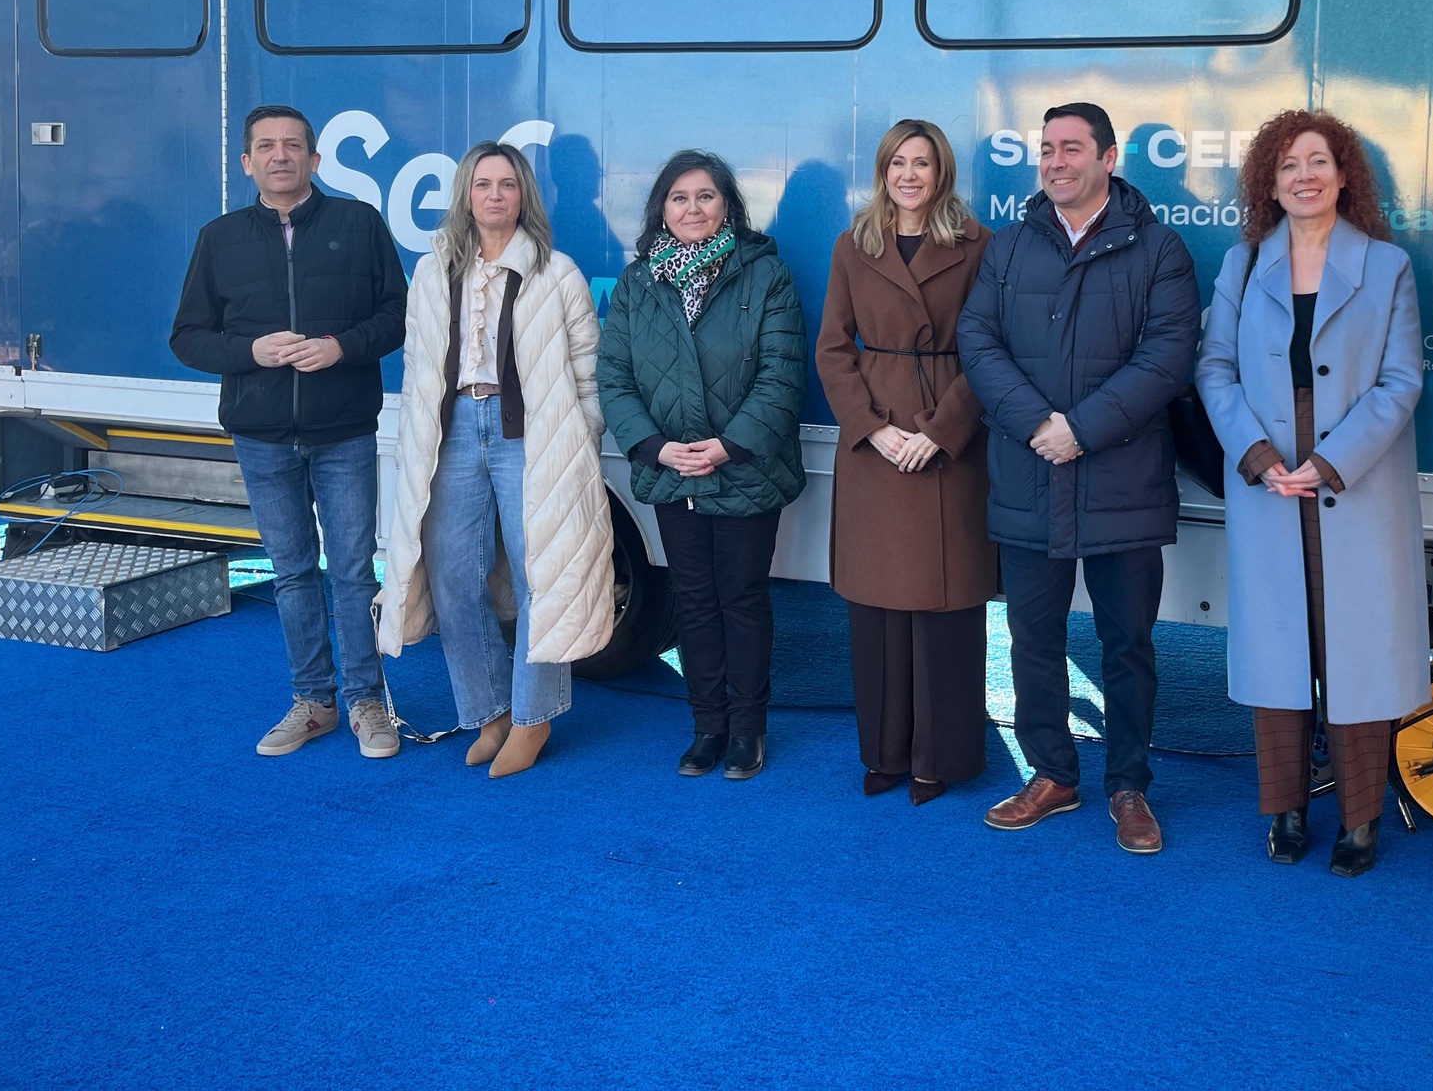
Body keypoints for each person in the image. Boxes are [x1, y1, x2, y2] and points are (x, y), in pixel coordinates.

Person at [959, 102, 1200, 854]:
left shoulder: (1159, 249)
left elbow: (1167, 356)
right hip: (1029, 474)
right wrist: (1039, 423)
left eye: (1071, 148)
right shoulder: (1009, 247)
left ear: (1108, 158)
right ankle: (1052, 775)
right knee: (1032, 637)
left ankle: (1129, 787)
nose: (1056, 162)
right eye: (1046, 149)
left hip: (1122, 482)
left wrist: (1081, 429)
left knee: (1128, 645)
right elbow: (977, 339)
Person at [1195, 110, 1429, 877]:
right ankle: (1285, 809)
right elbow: (1213, 369)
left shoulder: (1387, 266)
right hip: (1267, 478)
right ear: (1269, 183)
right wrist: (1256, 453)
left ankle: (1360, 818)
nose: (1305, 176)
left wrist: (1330, 462)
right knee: (1280, 650)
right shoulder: (1241, 265)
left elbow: (1401, 382)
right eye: (1289, 164)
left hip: (1353, 477)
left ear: (1343, 174)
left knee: (1356, 651)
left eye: (1318, 161)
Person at [170, 105, 408, 759]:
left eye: (294, 145)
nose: (281, 156)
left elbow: (398, 316)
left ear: (314, 159)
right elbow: (187, 337)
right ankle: (314, 703)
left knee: (353, 572)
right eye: (267, 147)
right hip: (261, 436)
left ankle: (366, 702)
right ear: (248, 162)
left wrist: (341, 347)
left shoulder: (359, 224)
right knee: (294, 573)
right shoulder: (219, 239)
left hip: (344, 433)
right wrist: (250, 351)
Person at [375, 143, 617, 778]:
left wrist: (579, 435)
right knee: (454, 578)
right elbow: (417, 363)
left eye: (507, 184)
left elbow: (588, 370)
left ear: (523, 195)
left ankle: (534, 719)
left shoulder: (556, 272)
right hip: (452, 431)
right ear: (466, 195)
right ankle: (489, 713)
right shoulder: (432, 272)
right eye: (482, 184)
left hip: (532, 435)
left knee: (544, 574)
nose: (495, 195)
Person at [597, 151, 807, 781]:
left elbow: (781, 375)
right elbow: (614, 377)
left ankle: (747, 730)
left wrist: (728, 446)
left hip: (745, 469)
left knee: (741, 598)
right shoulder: (638, 284)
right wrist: (655, 446)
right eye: (679, 197)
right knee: (692, 600)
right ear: (662, 208)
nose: (693, 209)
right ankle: (707, 726)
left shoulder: (765, 276)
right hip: (671, 471)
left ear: (728, 206)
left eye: (706, 196)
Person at [817, 119, 995, 805]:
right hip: (876, 444)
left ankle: (940, 757)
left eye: (922, 163)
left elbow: (990, 350)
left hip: (948, 439)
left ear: (941, 171)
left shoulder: (978, 244)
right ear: (883, 172)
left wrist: (942, 431)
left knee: (945, 606)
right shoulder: (854, 243)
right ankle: (885, 753)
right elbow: (833, 348)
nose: (909, 175)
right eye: (898, 163)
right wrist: (870, 428)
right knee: (878, 607)